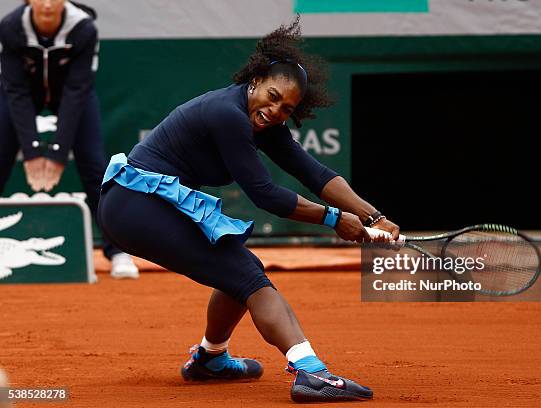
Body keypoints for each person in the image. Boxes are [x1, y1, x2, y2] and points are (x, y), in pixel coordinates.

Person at [97, 17, 400, 403]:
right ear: (254, 81)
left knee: (242, 273)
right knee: (250, 279)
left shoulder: (264, 124)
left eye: (287, 108)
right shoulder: (227, 113)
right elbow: (265, 195)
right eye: (273, 96)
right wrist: (334, 219)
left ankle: (210, 359)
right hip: (136, 205)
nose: (275, 110)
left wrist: (374, 217)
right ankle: (312, 373)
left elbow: (315, 172)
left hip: (138, 204)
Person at [0, 0, 139, 279]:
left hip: (74, 95)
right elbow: (15, 89)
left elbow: (77, 90)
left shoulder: (83, 29)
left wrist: (57, 154)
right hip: (20, 94)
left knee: (94, 165)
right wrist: (33, 152)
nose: (48, 4)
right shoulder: (10, 27)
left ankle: (118, 251)